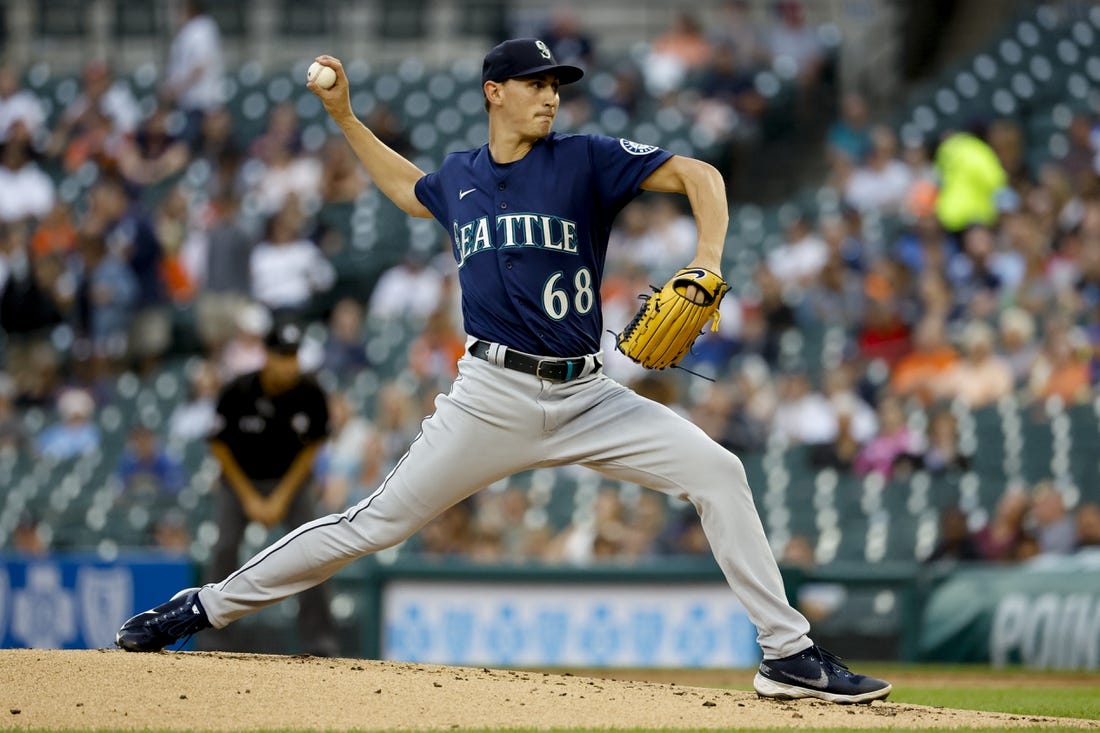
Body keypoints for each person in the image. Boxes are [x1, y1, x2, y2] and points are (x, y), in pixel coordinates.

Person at [115, 38, 890, 704]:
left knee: (719, 472)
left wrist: (708, 257)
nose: (552, 96)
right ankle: (201, 607)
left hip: (589, 392)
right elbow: (402, 189)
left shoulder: (584, 160)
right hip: (489, 395)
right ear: (496, 92)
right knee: (372, 524)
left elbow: (702, 176)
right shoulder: (459, 178)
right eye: (538, 84)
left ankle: (788, 653)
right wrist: (345, 118)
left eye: (557, 85)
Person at [199, 321, 339, 656]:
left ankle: (319, 638)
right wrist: (249, 497)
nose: (288, 364)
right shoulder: (238, 390)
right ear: (266, 356)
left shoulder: (310, 392)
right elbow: (219, 446)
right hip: (240, 484)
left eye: (293, 356)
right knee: (224, 548)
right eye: (281, 355)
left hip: (289, 483)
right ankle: (215, 636)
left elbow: (312, 447)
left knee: (313, 553)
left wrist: (279, 497)